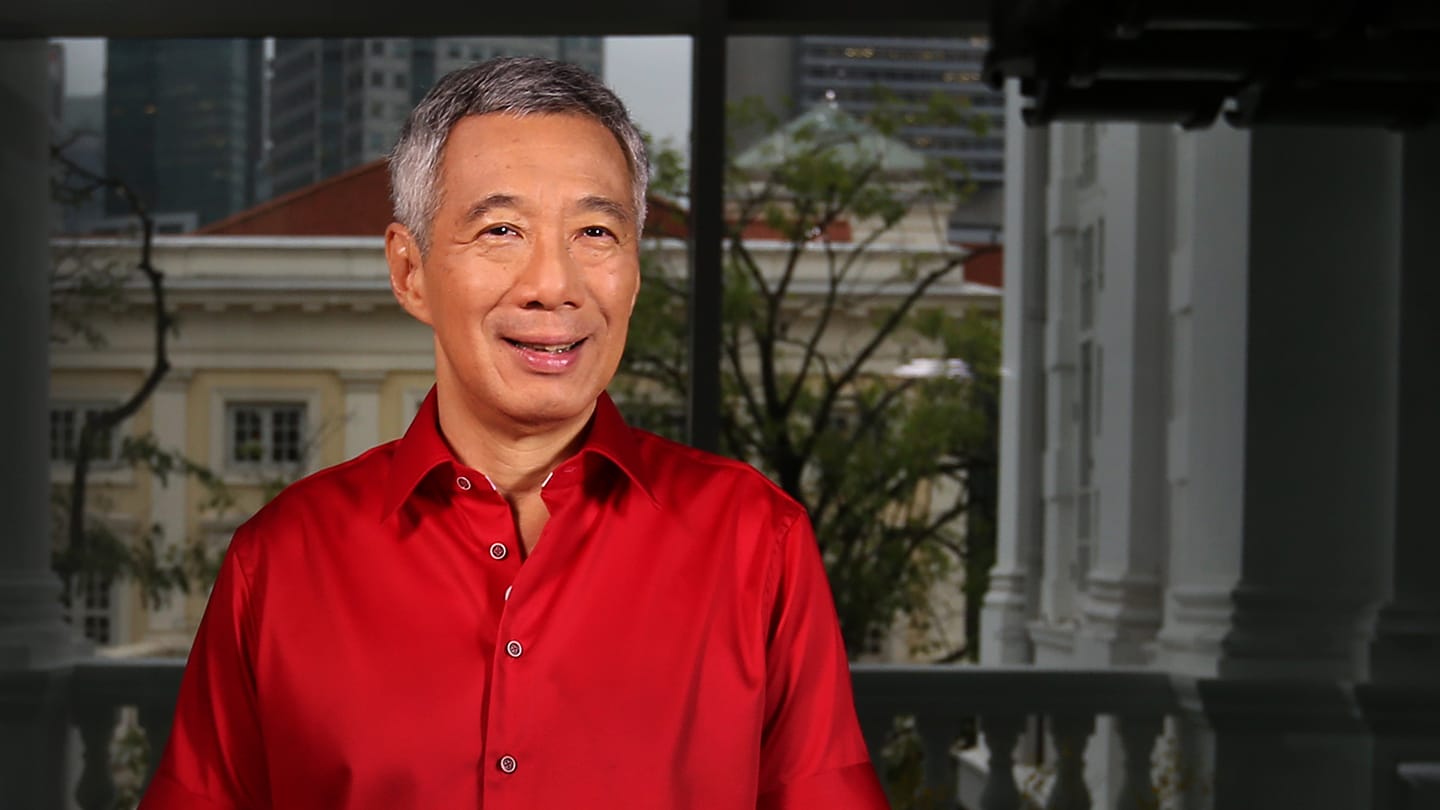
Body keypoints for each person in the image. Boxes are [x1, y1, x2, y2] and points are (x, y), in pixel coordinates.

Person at [139, 56, 889, 810]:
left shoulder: (759, 545)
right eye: (501, 230)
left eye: (595, 231)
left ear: (634, 270)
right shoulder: (279, 562)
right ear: (410, 272)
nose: (553, 285)